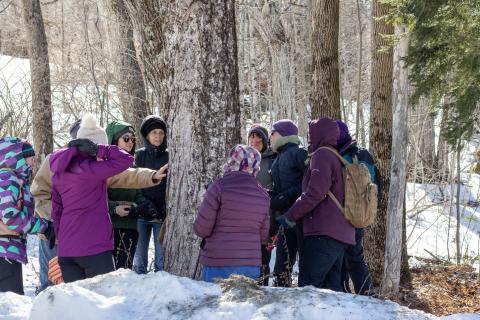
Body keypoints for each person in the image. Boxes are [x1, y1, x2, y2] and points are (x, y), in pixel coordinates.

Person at [31, 119, 165, 292]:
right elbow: (39, 193)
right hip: (53, 233)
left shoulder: (94, 166)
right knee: (53, 287)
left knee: (73, 295)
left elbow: (124, 175)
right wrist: (52, 221)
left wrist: (152, 175)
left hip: (70, 237)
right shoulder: (54, 162)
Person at [50, 114, 134, 282]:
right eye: (99, 144)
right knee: (104, 302)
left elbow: (56, 212)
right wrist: (100, 149)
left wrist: (62, 240)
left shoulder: (59, 172)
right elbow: (127, 159)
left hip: (67, 251)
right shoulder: (93, 169)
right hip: (94, 248)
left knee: (79, 306)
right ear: (91, 146)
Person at [281, 117, 356, 291]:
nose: (308, 139)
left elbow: (315, 193)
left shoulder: (322, 155)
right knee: (331, 291)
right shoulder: (336, 157)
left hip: (323, 234)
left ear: (319, 134)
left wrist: (290, 216)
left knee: (309, 288)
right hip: (340, 235)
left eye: (310, 134)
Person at [193, 145, 269, 282]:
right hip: (250, 265)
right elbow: (263, 236)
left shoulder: (218, 187)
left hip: (218, 262)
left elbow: (201, 229)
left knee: (215, 302)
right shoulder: (263, 194)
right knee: (245, 303)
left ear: (232, 162)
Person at [0, 137, 55, 294]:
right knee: (10, 309)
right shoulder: (7, 177)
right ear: (16, 157)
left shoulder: (13, 179)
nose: (33, 162)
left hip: (8, 251)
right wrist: (43, 226)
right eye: (30, 157)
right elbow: (10, 216)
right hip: (4, 253)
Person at [335, 120, 381, 295]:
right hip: (362, 213)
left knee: (340, 257)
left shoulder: (340, 156)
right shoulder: (364, 155)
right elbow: (377, 185)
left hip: (343, 214)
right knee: (356, 257)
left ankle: (342, 294)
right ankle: (366, 294)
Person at [106, 120, 157, 269]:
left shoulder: (132, 166)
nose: (130, 142)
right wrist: (115, 208)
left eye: (133, 139)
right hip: (109, 229)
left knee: (125, 271)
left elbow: (137, 193)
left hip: (130, 228)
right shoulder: (103, 166)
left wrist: (143, 205)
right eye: (126, 138)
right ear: (114, 140)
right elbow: (95, 198)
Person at [269, 119, 307, 287]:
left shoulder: (298, 153)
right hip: (285, 218)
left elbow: (309, 183)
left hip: (302, 216)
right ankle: (281, 290)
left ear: (283, 134)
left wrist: (286, 196)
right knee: (282, 261)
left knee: (306, 262)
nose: (270, 136)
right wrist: (272, 196)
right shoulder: (278, 157)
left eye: (273, 132)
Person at [133, 115, 169, 274]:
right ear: (147, 135)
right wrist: (143, 204)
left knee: (161, 262)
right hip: (142, 214)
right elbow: (134, 183)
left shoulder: (169, 155)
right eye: (154, 132)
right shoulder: (139, 155)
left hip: (161, 215)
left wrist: (163, 207)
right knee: (139, 260)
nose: (158, 136)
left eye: (161, 133)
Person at [247, 124, 276, 286]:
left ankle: (262, 288)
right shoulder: (244, 159)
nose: (255, 140)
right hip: (246, 219)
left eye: (259, 137)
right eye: (252, 136)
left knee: (263, 258)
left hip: (267, 217)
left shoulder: (272, 159)